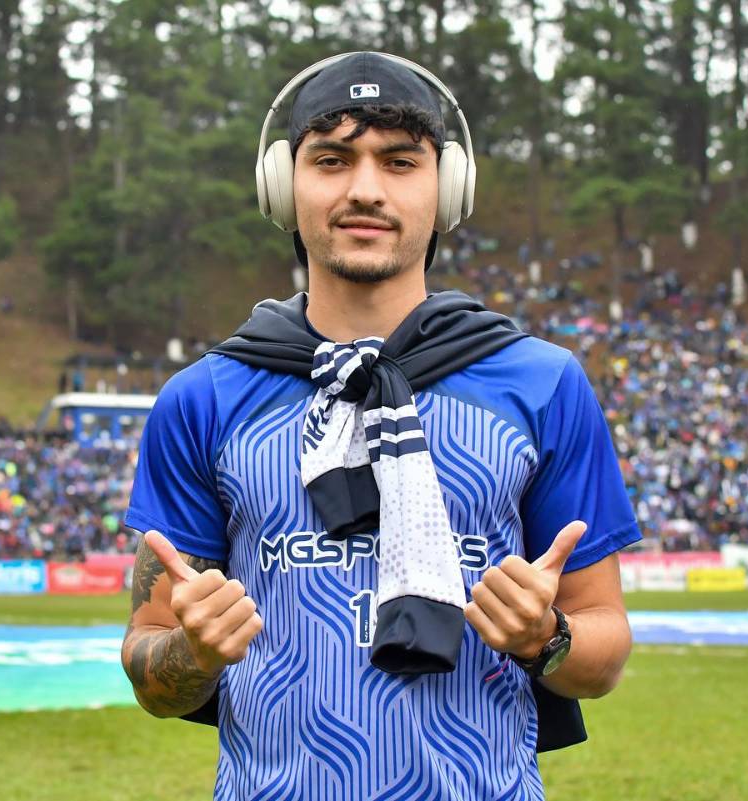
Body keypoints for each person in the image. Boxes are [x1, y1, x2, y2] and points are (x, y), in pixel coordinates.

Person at [121, 52, 641, 800]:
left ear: (448, 186)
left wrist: (547, 636)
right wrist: (191, 652)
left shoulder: (543, 384)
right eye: (331, 159)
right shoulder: (202, 398)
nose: (365, 189)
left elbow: (607, 651)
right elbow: (150, 670)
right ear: (281, 185)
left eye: (400, 161)